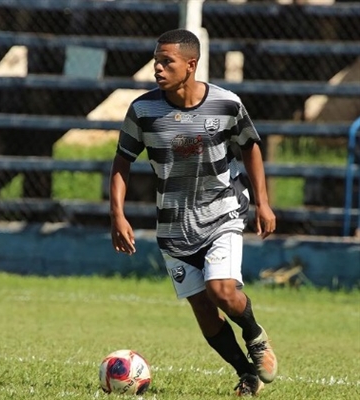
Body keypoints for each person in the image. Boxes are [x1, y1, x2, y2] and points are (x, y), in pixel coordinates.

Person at [109, 28, 278, 396]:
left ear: (191, 64)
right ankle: (247, 374)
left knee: (222, 291)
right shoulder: (143, 110)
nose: (157, 68)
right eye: (156, 61)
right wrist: (117, 214)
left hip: (222, 215)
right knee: (204, 311)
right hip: (173, 227)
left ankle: (254, 335)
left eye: (166, 62)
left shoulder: (226, 104)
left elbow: (250, 147)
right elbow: (122, 161)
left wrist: (263, 202)